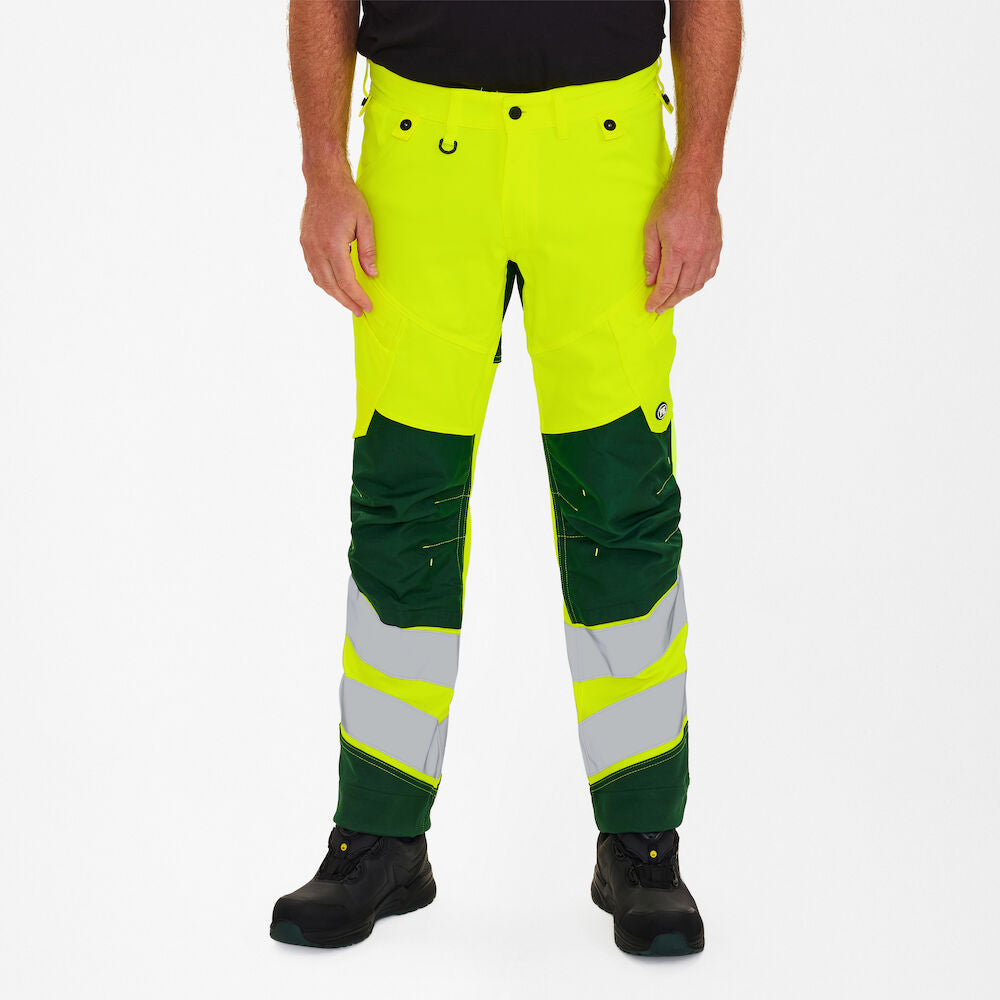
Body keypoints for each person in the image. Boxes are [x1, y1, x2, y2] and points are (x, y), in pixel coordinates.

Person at [272, 0, 741, 956]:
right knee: (404, 502)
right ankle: (380, 838)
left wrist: (698, 173)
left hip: (605, 153)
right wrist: (324, 169)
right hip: (419, 153)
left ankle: (643, 844)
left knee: (622, 504)